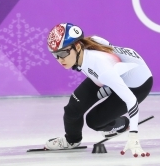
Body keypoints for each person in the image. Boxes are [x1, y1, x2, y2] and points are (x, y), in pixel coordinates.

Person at [45, 23, 153, 157]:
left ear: (77, 46)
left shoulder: (101, 68)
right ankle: (71, 140)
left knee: (94, 121)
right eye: (55, 55)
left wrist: (134, 136)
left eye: (63, 53)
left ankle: (121, 124)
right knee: (72, 109)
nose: (60, 59)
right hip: (111, 76)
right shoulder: (90, 45)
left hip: (138, 84)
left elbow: (131, 100)